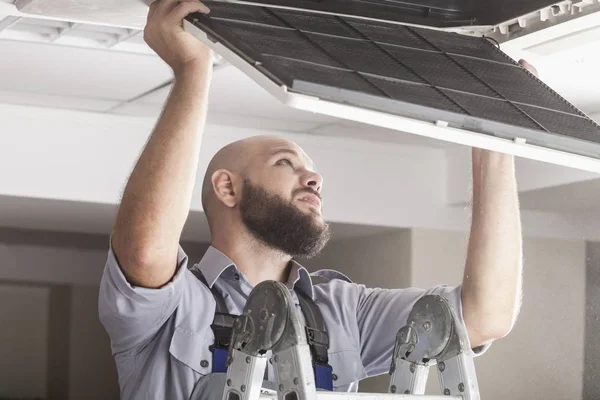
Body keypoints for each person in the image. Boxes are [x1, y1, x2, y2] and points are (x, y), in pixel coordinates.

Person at [98, 0, 527, 398]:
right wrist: (193, 71)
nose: (314, 177)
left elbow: (484, 316)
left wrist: (496, 146)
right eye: (286, 163)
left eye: (311, 170)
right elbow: (143, 247)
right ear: (228, 188)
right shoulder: (174, 308)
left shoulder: (344, 310)